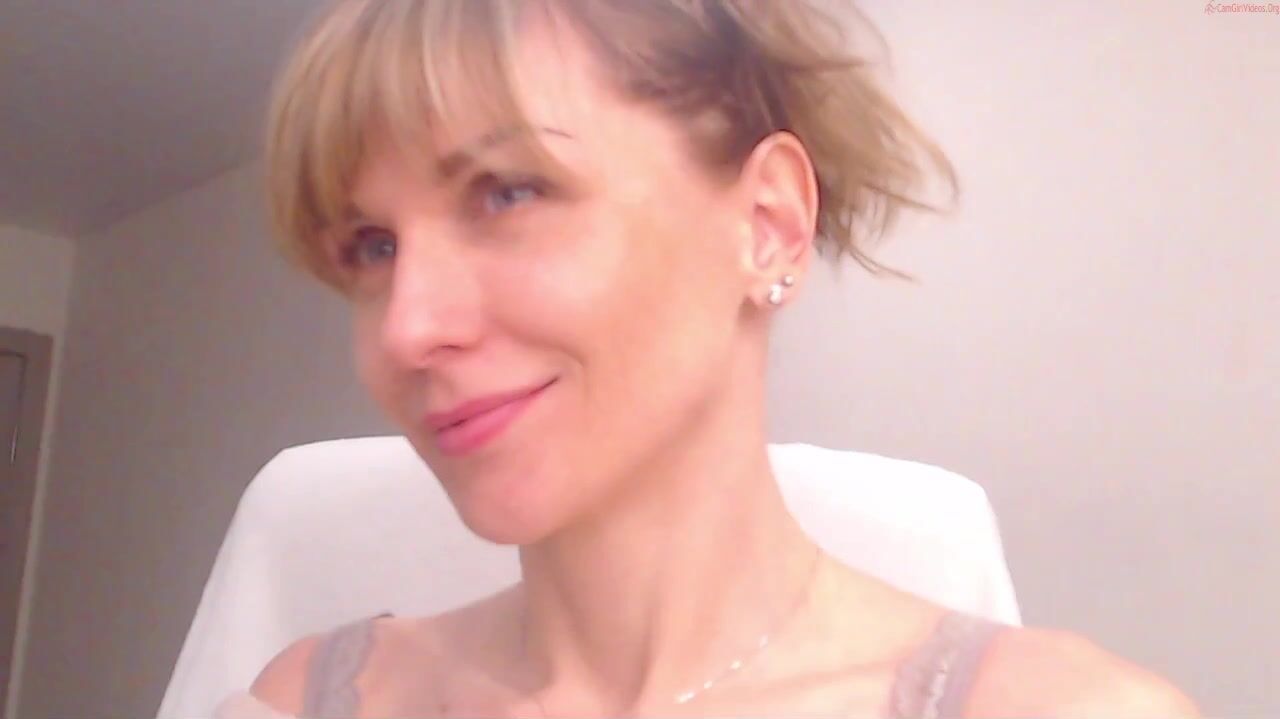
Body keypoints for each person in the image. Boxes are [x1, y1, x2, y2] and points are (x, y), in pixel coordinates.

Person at [220, 0, 1199, 716]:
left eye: (507, 193)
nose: (406, 327)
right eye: (371, 247)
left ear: (767, 224)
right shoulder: (306, 699)